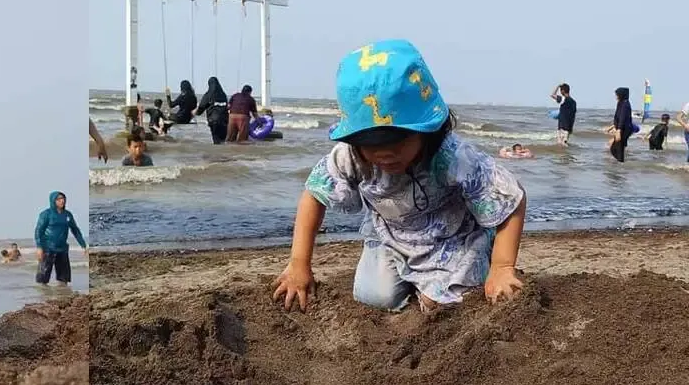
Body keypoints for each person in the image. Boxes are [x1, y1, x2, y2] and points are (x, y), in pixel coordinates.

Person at [273, 40, 526, 316]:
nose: (384, 154)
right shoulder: (350, 155)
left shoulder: (452, 157)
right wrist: (299, 264)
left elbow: (511, 197)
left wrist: (502, 267)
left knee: (441, 304)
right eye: (370, 144)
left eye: (396, 140)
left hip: (451, 237)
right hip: (391, 238)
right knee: (374, 296)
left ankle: (485, 248)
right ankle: (412, 278)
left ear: (427, 130)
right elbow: (314, 194)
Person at [34, 191, 87, 285]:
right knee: (42, 279)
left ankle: (62, 295)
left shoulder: (67, 214)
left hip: (62, 249)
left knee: (64, 279)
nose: (62, 201)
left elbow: (75, 230)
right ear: (53, 201)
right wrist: (39, 247)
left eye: (63, 199)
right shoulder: (46, 214)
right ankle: (42, 297)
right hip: (48, 249)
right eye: (58, 199)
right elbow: (39, 231)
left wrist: (83, 245)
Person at [195, 76, 229, 145]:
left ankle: (216, 155)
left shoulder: (208, 95)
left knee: (216, 142)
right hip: (224, 122)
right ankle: (222, 155)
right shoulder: (223, 95)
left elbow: (201, 107)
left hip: (213, 121)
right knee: (222, 142)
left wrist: (196, 113)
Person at [609, 86, 635, 163]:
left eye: (617, 95)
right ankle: (620, 164)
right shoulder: (620, 103)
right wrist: (613, 126)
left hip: (624, 129)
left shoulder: (625, 104)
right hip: (621, 128)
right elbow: (617, 116)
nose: (616, 96)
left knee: (618, 148)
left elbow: (622, 117)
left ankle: (620, 167)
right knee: (614, 149)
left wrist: (619, 130)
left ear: (621, 95)